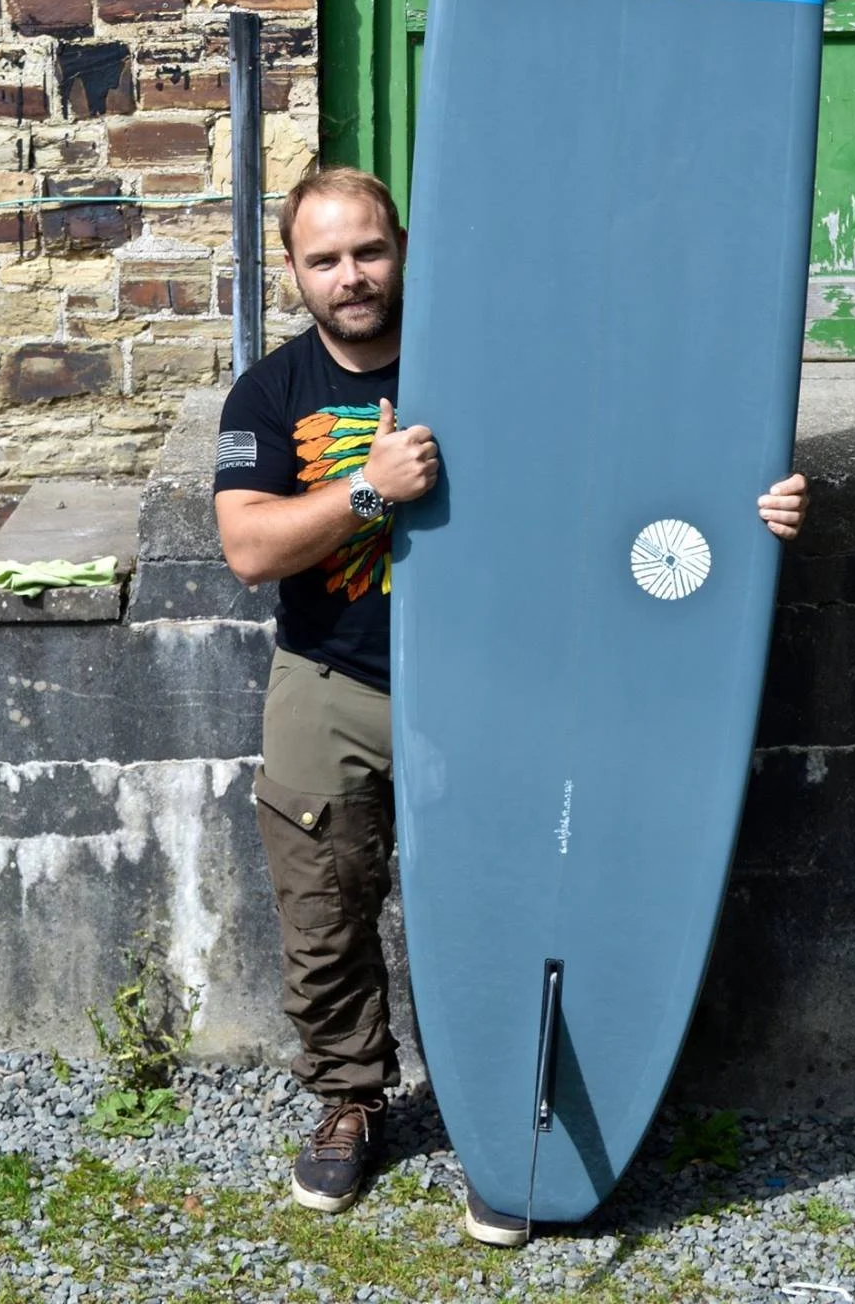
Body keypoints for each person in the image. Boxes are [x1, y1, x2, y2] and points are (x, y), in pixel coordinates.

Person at [213, 165, 810, 1240]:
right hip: (333, 679)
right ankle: (350, 1100)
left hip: (495, 683)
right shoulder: (269, 392)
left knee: (501, 900)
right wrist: (368, 489)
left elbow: (628, 457)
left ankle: (500, 1127)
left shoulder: (495, 368)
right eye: (325, 258)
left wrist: (752, 496)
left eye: (369, 250)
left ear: (403, 247)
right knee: (323, 905)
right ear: (295, 272)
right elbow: (249, 547)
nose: (352, 275)